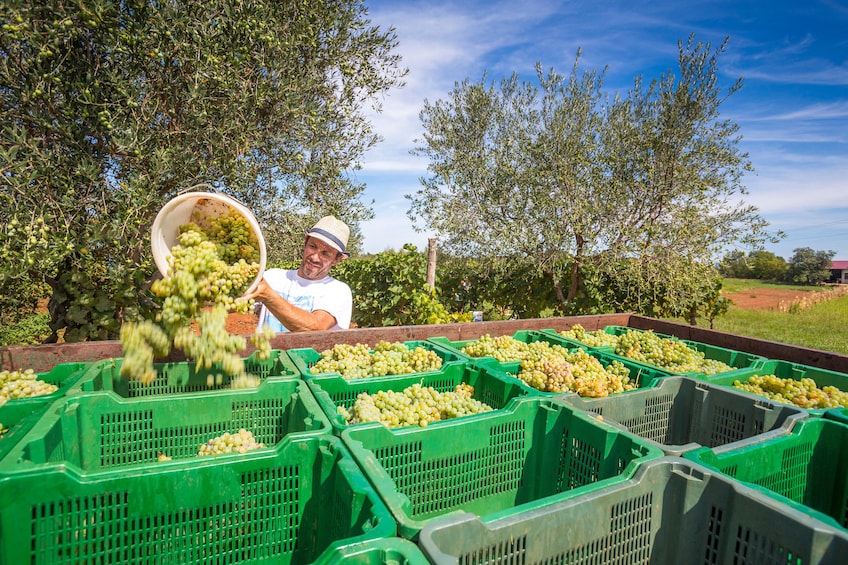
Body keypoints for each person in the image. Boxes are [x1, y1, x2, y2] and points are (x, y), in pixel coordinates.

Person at [247, 216, 352, 332]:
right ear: (305, 243)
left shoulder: (338, 290)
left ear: (337, 259)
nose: (315, 257)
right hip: (265, 350)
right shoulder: (272, 277)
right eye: (312, 247)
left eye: (325, 254)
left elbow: (315, 327)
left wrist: (269, 296)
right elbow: (237, 303)